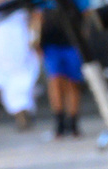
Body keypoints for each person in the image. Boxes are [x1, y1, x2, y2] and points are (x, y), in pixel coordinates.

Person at [0, 0, 36, 128]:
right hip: (1, 30)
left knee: (24, 69)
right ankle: (18, 111)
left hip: (19, 28)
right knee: (5, 72)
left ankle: (24, 108)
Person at [36, 0, 76, 137]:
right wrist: (35, 41)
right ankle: (59, 123)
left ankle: (73, 123)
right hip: (51, 44)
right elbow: (37, 17)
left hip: (73, 43)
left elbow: (87, 14)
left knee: (73, 82)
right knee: (55, 81)